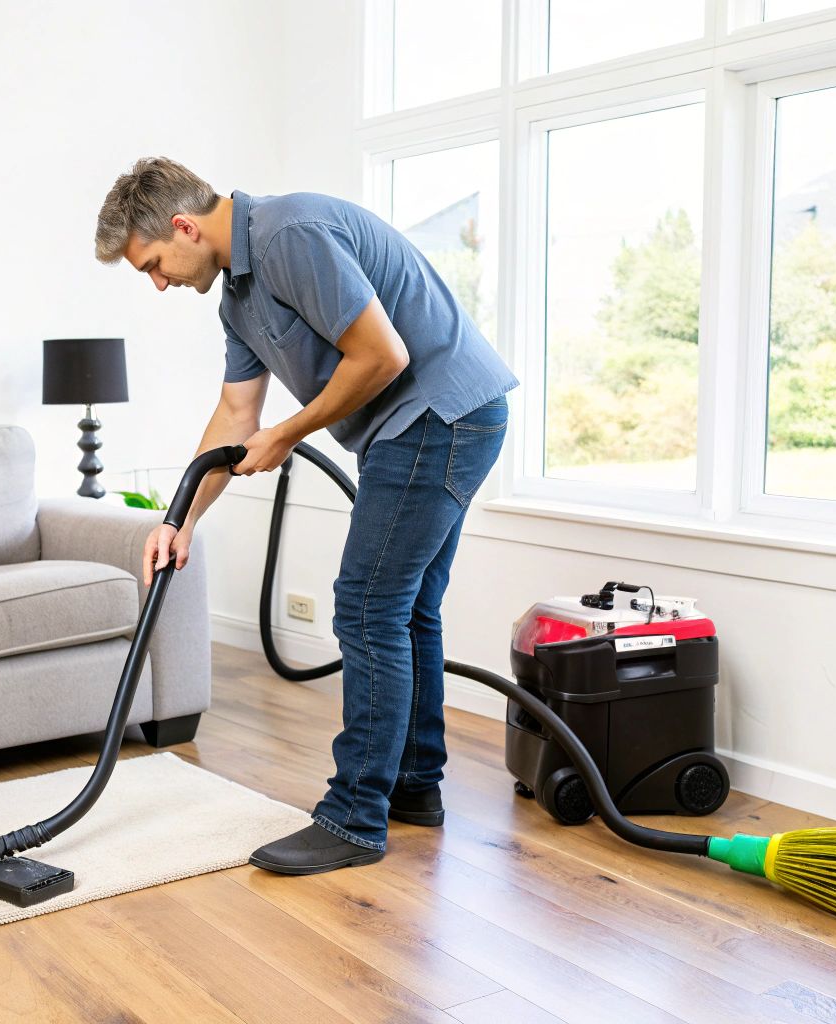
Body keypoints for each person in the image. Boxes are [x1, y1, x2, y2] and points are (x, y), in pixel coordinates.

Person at [93, 157, 518, 874]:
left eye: (154, 265)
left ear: (183, 226)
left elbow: (383, 354)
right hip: (423, 424)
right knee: (407, 609)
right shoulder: (238, 299)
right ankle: (413, 787)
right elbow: (235, 415)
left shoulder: (292, 235)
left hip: (439, 416)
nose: (160, 283)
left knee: (366, 606)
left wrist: (289, 434)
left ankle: (354, 816)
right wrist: (180, 521)